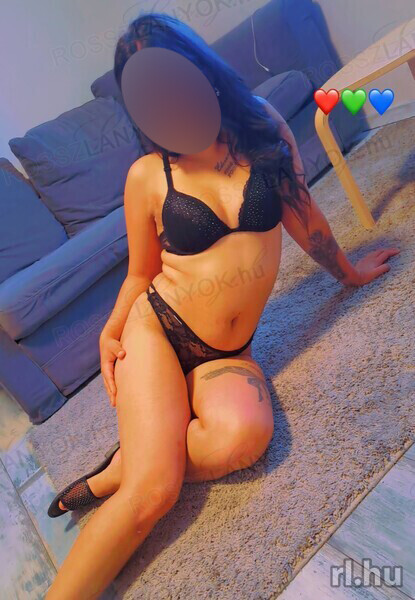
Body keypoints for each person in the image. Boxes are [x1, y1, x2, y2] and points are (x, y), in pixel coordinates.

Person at [45, 13, 400, 599]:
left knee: (243, 440)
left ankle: (126, 461)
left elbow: (302, 213)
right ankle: (137, 472)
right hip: (158, 330)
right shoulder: (147, 176)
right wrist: (111, 331)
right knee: (152, 494)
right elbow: (141, 274)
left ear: (199, 68)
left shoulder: (261, 127)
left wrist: (350, 273)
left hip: (227, 351)